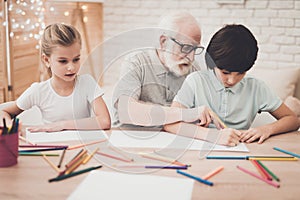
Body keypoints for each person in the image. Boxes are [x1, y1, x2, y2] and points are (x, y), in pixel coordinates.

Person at [164, 24, 299, 146]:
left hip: (241, 149)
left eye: (240, 73)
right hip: (199, 148)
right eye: (225, 72)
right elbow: (170, 123)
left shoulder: (256, 87)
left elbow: (292, 119)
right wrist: (214, 136)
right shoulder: (196, 81)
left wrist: (267, 129)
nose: (232, 80)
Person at [0, 23, 111, 132]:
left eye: (76, 59)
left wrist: (62, 125)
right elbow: (3, 111)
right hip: (52, 146)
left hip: (82, 146)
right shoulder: (38, 91)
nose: (71, 67)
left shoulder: (87, 83)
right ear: (47, 60)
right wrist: (9, 125)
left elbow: (105, 121)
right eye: (63, 61)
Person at [112, 12, 208, 127]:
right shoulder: (136, 62)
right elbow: (126, 112)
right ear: (163, 42)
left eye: (195, 49)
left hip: (175, 140)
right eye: (186, 47)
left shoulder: (193, 69)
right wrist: (184, 114)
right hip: (131, 138)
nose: (191, 57)